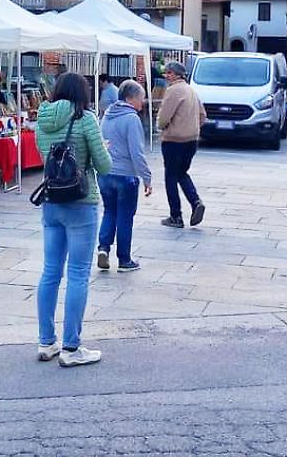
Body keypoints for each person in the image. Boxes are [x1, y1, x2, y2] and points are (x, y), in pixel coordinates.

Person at [34, 72, 113, 368]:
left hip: (52, 201)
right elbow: (104, 166)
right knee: (78, 273)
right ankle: (71, 347)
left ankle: (46, 341)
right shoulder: (86, 118)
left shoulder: (42, 119)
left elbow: (43, 155)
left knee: (50, 271)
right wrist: (103, 150)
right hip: (81, 202)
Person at [98, 79, 153, 271]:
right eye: (141, 98)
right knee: (125, 216)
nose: (143, 102)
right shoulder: (131, 119)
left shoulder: (106, 116)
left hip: (105, 173)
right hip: (125, 175)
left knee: (109, 211)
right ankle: (124, 259)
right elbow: (136, 152)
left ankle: (103, 248)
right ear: (130, 99)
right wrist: (146, 177)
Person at [157, 60, 207, 229]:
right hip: (191, 140)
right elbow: (202, 115)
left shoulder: (173, 91)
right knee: (182, 173)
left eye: (169, 73)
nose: (166, 76)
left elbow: (163, 118)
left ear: (176, 75)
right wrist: (192, 127)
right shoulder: (191, 90)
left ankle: (176, 216)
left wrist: (163, 127)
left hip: (174, 141)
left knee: (170, 177)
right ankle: (195, 201)